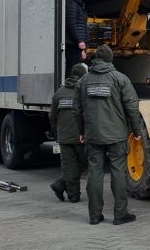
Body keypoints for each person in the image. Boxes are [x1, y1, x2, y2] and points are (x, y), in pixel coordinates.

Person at [73, 45, 143, 225]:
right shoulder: (121, 79)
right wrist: (137, 131)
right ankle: (120, 215)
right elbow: (132, 107)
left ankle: (94, 216)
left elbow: (76, 109)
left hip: (93, 136)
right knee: (118, 172)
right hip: (117, 135)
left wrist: (81, 131)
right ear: (111, 59)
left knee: (94, 173)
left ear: (95, 59)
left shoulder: (83, 81)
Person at [49, 63, 89, 203]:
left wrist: (57, 132)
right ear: (84, 75)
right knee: (85, 163)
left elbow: (52, 116)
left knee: (69, 165)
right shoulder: (84, 92)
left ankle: (72, 195)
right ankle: (62, 186)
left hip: (64, 137)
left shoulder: (59, 92)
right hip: (81, 137)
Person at [65, 0, 88, 76]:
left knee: (76, 68)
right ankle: (71, 87)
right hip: (73, 44)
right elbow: (71, 24)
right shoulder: (72, 5)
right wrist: (79, 41)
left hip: (76, 44)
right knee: (73, 69)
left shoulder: (77, 5)